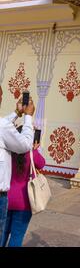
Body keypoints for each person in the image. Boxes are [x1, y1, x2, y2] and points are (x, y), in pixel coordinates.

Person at [1, 127, 46, 247]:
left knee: (3, 233)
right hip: (24, 202)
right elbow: (42, 164)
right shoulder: (31, 153)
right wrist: (35, 150)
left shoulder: (7, 151)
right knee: (17, 236)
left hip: (6, 198)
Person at [0, 98, 35, 245]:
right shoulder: (3, 127)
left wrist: (16, 113)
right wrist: (28, 117)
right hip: (17, 200)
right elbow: (25, 145)